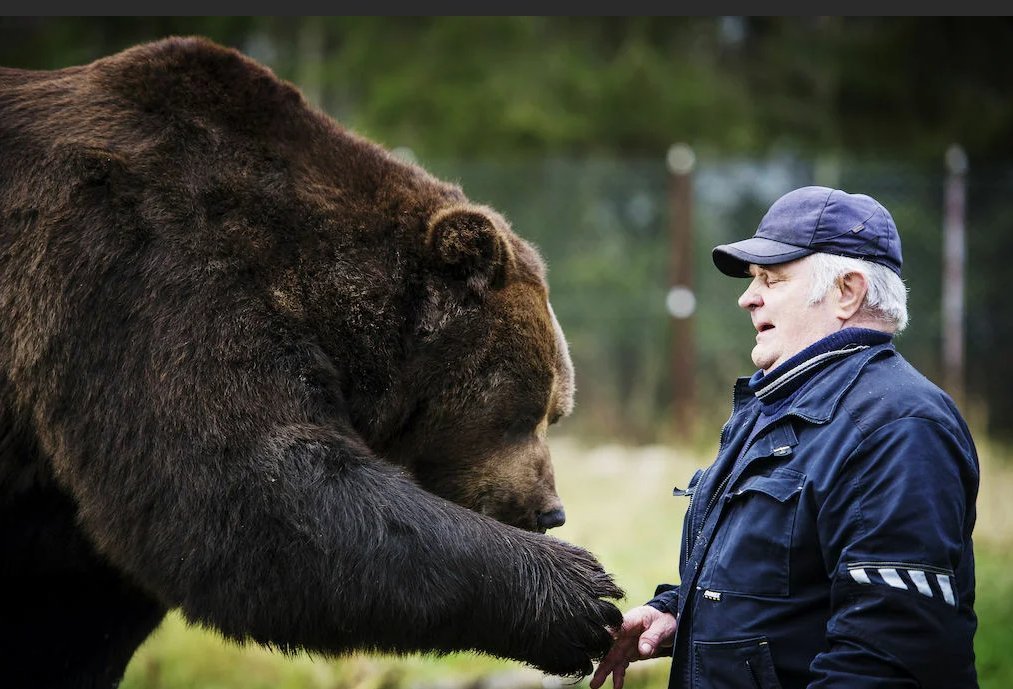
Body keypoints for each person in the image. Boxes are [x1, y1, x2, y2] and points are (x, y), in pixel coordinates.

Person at [590, 186, 979, 689]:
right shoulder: (776, 406)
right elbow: (783, 588)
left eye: (772, 279)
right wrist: (676, 612)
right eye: (755, 280)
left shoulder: (899, 428)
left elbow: (886, 658)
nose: (747, 297)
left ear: (847, 292)